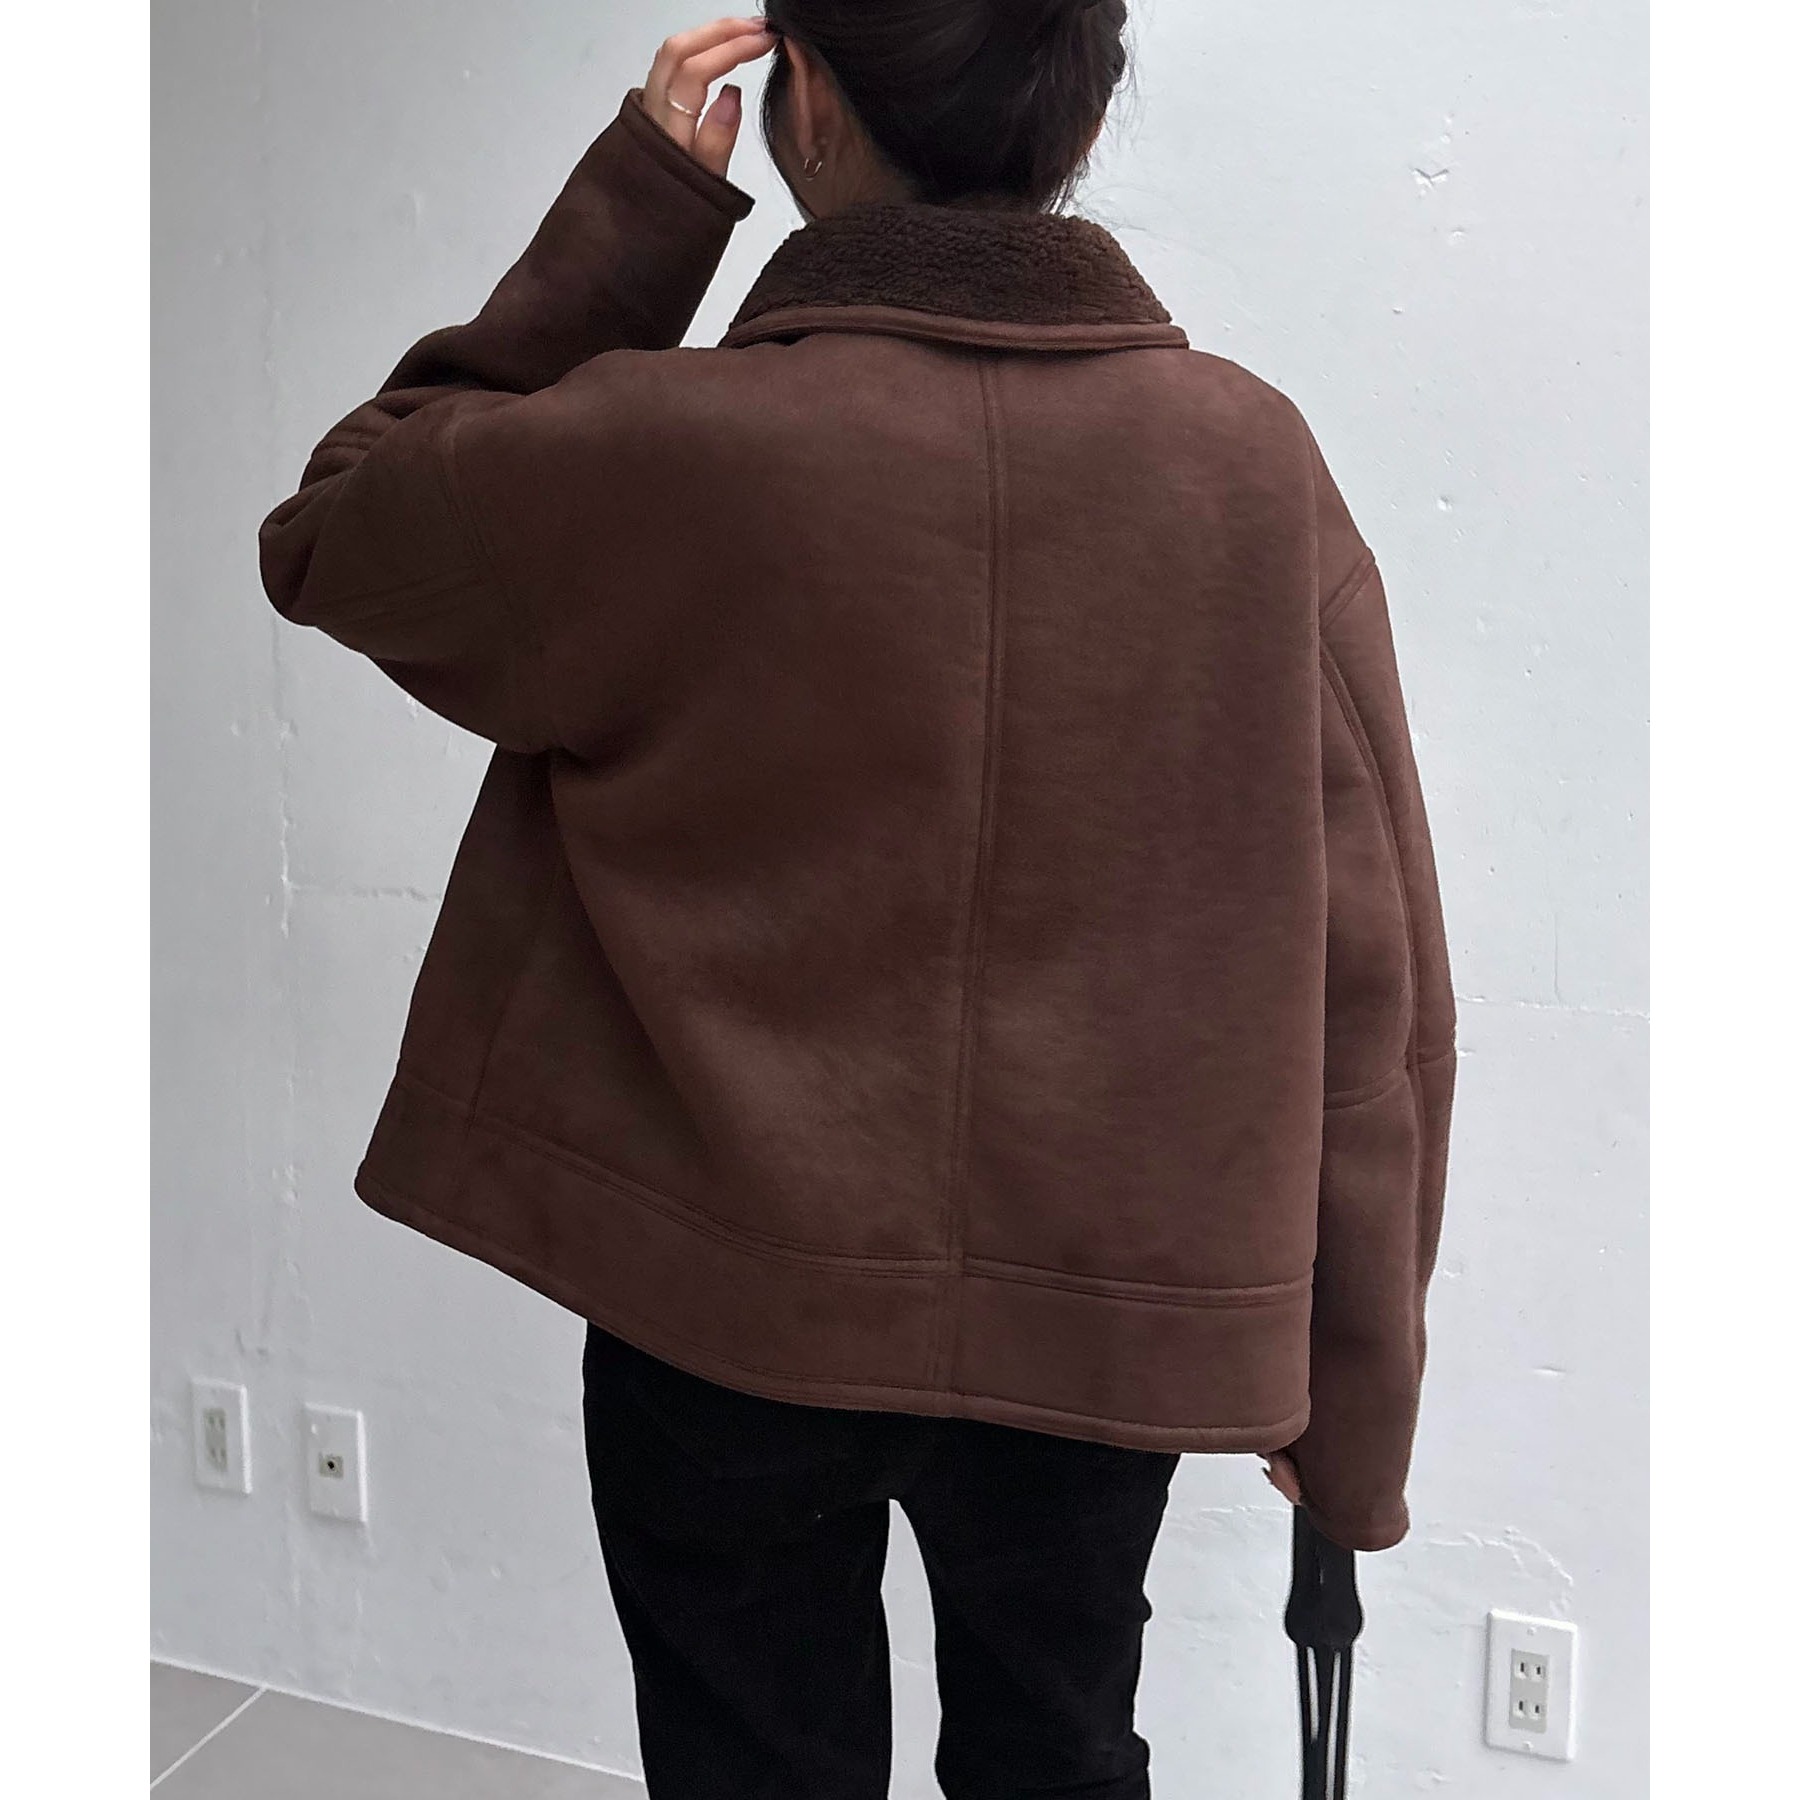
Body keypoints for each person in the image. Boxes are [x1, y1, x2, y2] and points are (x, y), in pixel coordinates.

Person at [258, 6, 1457, 1795]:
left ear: (802, 93)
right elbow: (1381, 975)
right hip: (1093, 1327)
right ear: (1081, 119)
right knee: (1059, 1760)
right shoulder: (1250, 465)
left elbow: (341, 527)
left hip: (718, 1309)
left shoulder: (663, 447)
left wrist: (642, 211)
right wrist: (1353, 1402)